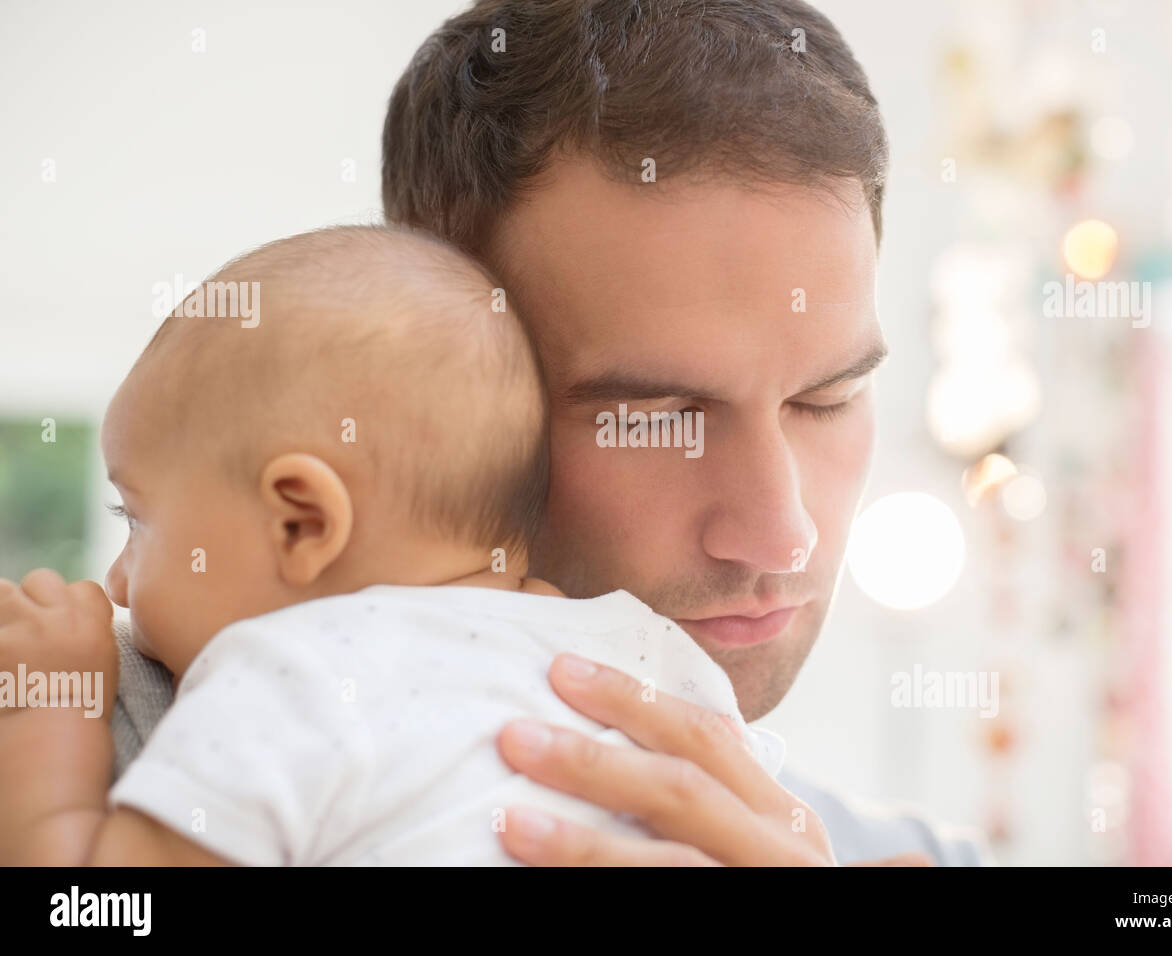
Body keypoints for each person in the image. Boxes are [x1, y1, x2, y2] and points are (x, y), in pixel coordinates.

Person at [116, 0, 989, 865]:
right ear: (442, 386)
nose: (781, 533)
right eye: (658, 418)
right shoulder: (90, 753)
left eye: (827, 399)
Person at [0, 225, 787, 865]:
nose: (120, 582)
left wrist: (48, 706)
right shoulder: (640, 652)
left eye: (137, 519)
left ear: (301, 523)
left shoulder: (283, 676)